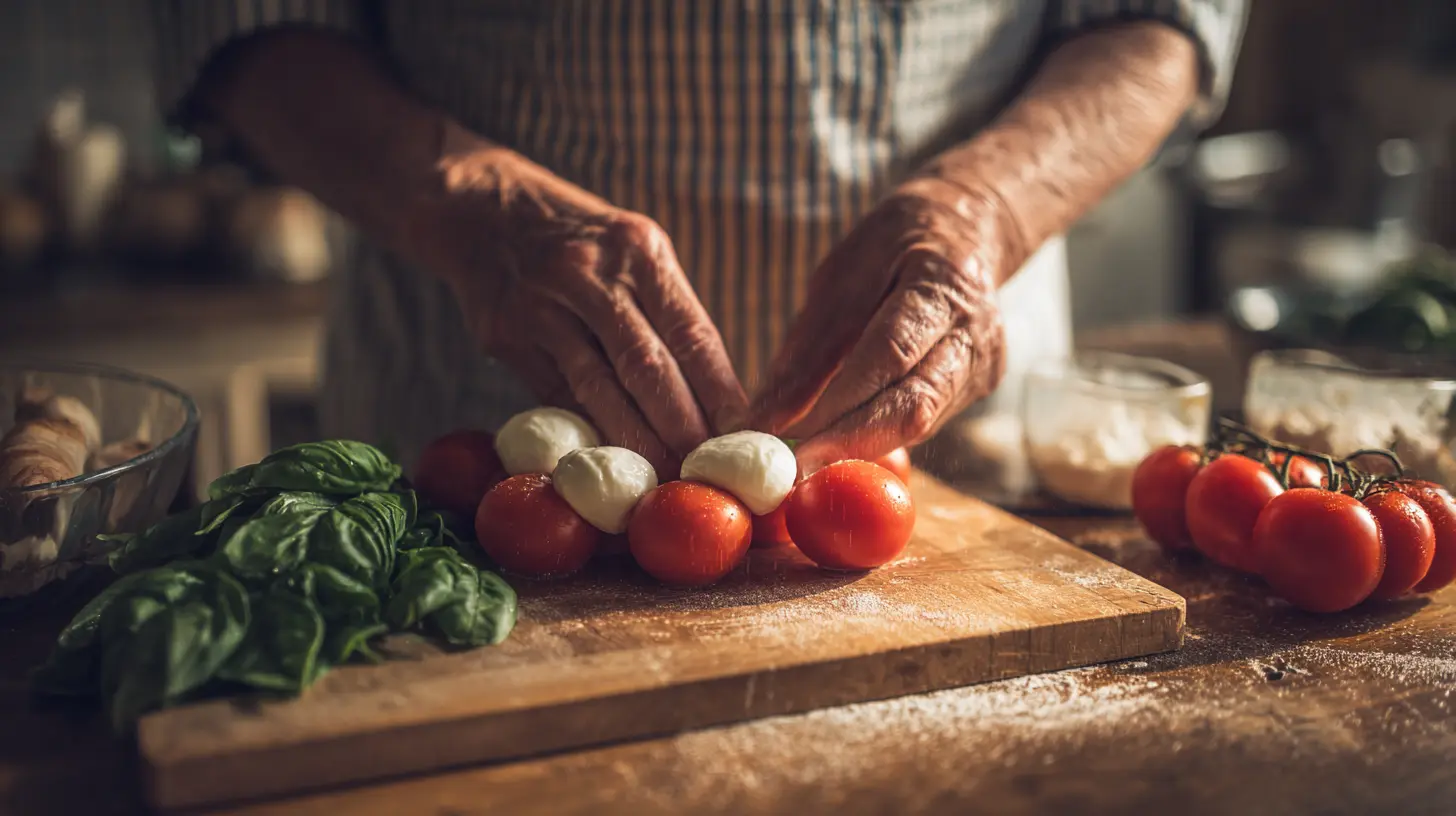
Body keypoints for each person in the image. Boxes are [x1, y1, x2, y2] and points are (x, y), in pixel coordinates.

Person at [152, 1, 1246, 475]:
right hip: (474, 424)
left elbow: (1160, 17)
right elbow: (243, 22)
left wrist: (987, 206)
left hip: (955, 432)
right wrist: (470, 203)